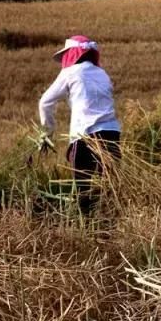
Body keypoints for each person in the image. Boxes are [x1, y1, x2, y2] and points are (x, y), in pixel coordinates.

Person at [38, 35, 121, 212]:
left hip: (85, 136)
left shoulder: (71, 72)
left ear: (72, 54)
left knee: (84, 189)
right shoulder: (102, 73)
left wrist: (47, 132)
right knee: (111, 186)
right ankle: (111, 223)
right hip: (112, 134)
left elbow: (45, 102)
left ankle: (87, 226)